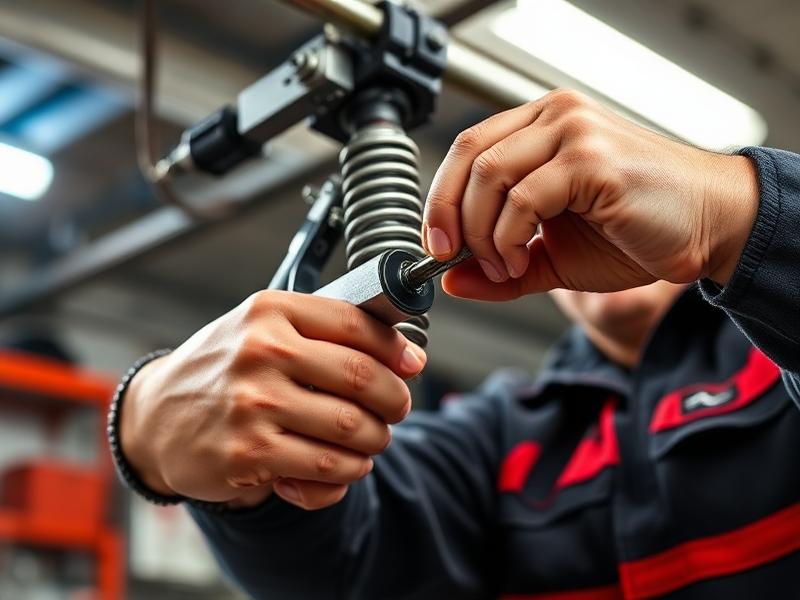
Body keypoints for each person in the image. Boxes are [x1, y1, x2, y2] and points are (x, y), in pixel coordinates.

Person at [111, 89, 800, 598]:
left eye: (600, 195)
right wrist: (148, 427)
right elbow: (348, 571)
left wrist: (731, 213)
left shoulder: (779, 359)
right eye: (559, 208)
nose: (593, 220)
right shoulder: (499, 438)